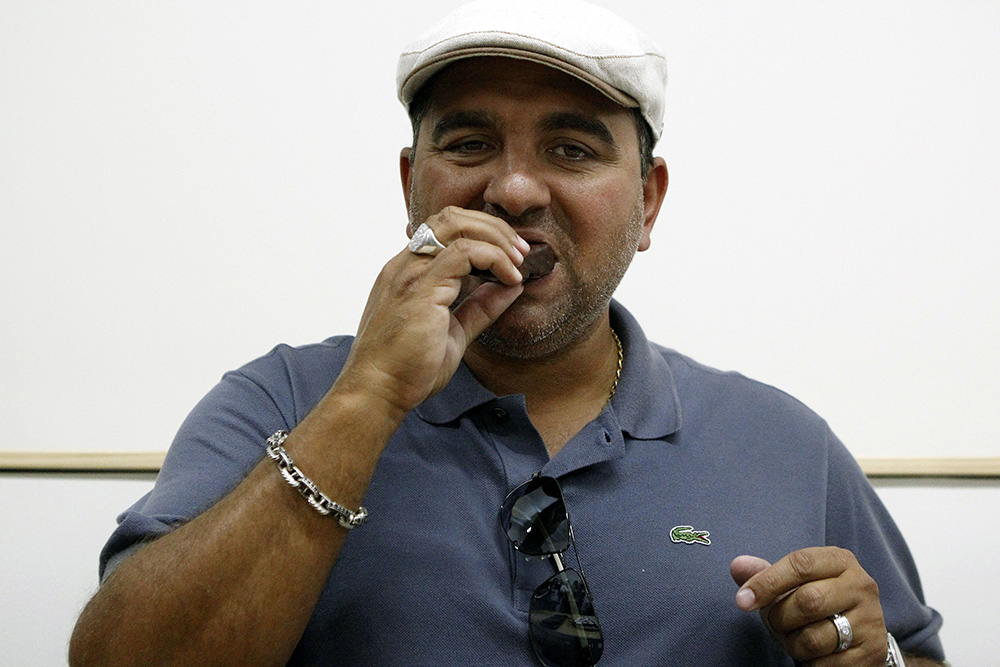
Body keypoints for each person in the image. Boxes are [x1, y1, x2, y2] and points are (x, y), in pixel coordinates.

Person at [69, 1, 946, 665]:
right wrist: (368, 400)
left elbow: (906, 655)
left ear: (647, 202)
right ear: (413, 185)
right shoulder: (281, 400)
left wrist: (874, 655)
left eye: (571, 150)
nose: (515, 191)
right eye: (471, 142)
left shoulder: (783, 442)